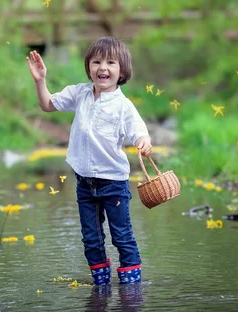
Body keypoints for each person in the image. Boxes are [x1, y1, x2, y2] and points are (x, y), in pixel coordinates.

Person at [26, 36, 152, 286]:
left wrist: (143, 141)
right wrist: (40, 81)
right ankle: (100, 288)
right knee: (91, 238)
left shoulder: (123, 106)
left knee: (121, 235)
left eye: (111, 62)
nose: (102, 68)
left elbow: (138, 130)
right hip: (84, 182)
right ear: (89, 68)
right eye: (96, 62)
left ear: (122, 70)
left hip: (113, 183)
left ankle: (132, 290)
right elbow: (48, 104)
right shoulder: (80, 93)